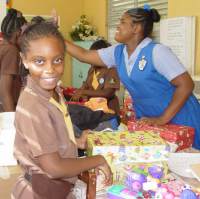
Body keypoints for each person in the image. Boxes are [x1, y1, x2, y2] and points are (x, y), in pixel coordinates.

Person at [65, 7, 200, 150]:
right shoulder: (118, 52)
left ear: (136, 28)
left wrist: (163, 118)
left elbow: (186, 85)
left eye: (123, 22)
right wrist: (55, 36)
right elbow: (84, 55)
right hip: (149, 118)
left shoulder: (157, 52)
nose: (118, 25)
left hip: (179, 117)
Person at [12, 22, 112, 199]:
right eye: (39, 61)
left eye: (57, 60)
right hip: (41, 192)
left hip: (57, 189)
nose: (50, 69)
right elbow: (54, 168)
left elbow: (54, 133)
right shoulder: (34, 105)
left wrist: (76, 142)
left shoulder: (54, 92)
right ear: (24, 60)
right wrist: (98, 160)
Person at [71, 39, 120, 115]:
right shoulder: (92, 69)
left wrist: (84, 92)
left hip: (108, 109)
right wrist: (80, 91)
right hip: (93, 107)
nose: (91, 59)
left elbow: (108, 93)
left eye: (94, 56)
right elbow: (86, 85)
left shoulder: (112, 69)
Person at [0, 8, 27, 112]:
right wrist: (11, 122)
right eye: (25, 34)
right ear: (17, 33)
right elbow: (4, 91)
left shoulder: (3, 45)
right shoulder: (11, 50)